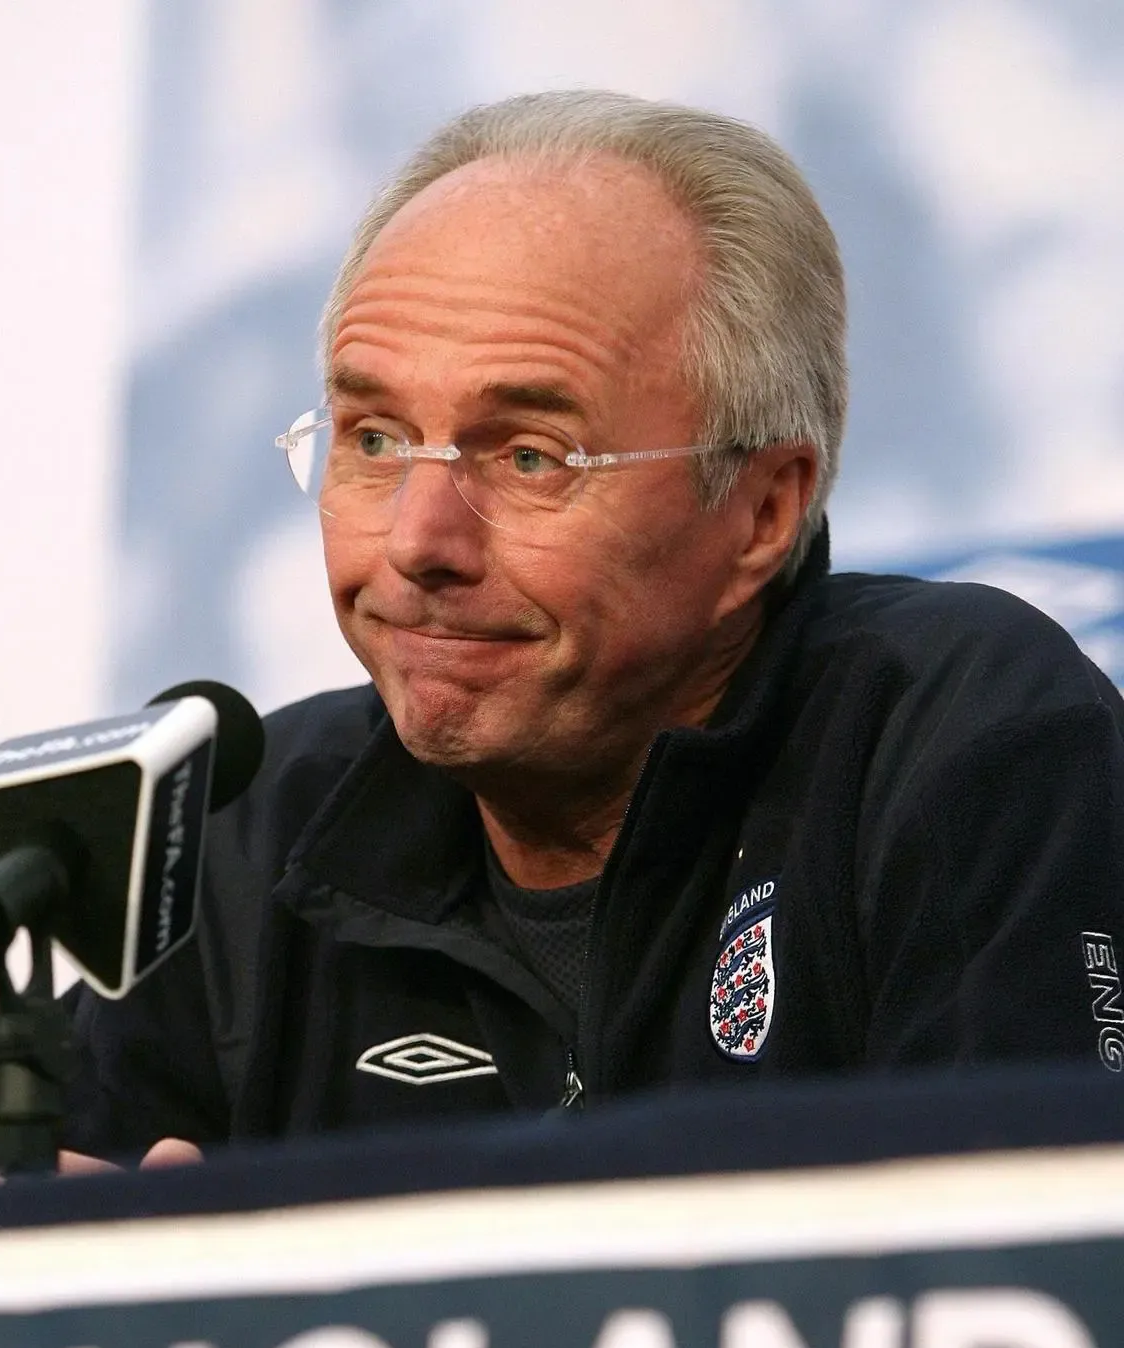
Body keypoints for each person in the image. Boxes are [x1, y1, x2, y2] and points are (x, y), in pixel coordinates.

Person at [58, 89, 1124, 1168]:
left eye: (529, 456)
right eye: (374, 438)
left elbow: (1026, 1280)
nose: (418, 541)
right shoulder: (243, 835)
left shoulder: (960, 740)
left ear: (761, 510)